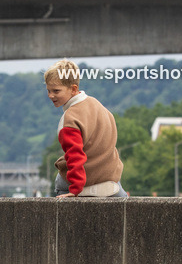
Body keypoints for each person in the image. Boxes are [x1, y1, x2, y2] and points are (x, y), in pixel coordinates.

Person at [44, 60, 127, 198]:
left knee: (60, 181)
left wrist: (75, 189)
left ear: (73, 89)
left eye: (56, 91)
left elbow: (75, 156)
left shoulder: (70, 118)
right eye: (48, 90)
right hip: (110, 178)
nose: (50, 95)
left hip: (82, 180)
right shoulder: (98, 106)